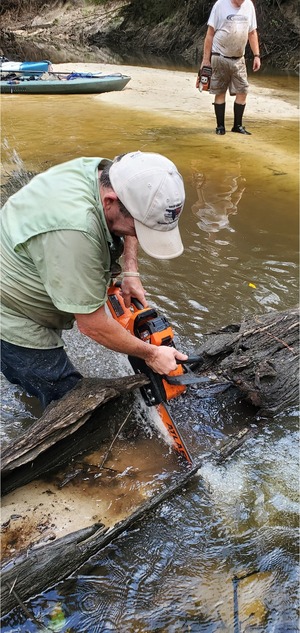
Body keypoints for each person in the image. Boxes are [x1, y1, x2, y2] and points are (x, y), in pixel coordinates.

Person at [1, 151, 188, 409]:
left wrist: (130, 270)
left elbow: (135, 216)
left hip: (40, 253)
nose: (139, 235)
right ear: (111, 201)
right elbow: (91, 325)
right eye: (140, 229)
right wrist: (152, 353)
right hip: (11, 312)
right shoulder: (75, 232)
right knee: (68, 399)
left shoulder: (114, 175)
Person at [196, 0, 261, 135]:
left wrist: (256, 55)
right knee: (220, 92)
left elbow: (252, 32)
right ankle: (220, 127)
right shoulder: (220, 5)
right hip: (219, 56)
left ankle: (237, 125)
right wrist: (206, 60)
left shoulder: (248, 5)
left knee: (243, 91)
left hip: (239, 58)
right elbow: (210, 34)